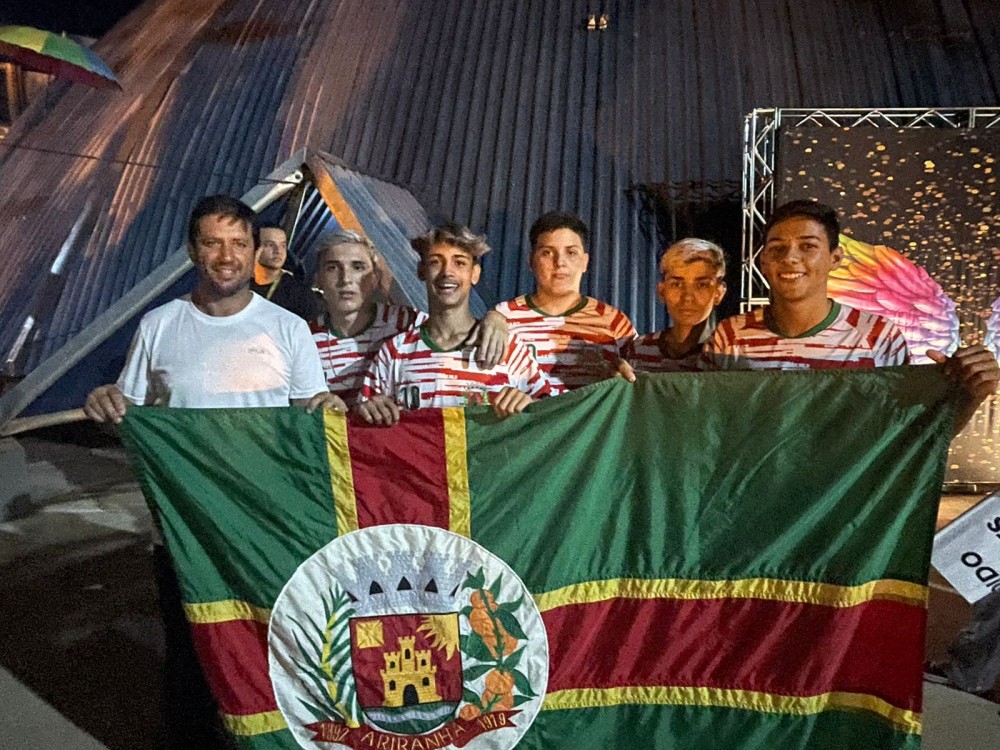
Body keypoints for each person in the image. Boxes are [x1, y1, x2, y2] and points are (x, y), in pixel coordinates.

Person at [83, 195, 342, 750]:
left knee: (276, 652)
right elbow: (131, 418)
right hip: (185, 533)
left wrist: (327, 407)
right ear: (191, 250)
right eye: (212, 242)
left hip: (266, 529)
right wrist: (107, 405)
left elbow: (308, 413)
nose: (226, 256)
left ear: (255, 251)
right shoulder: (160, 325)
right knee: (191, 661)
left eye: (238, 243)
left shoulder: (288, 328)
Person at [703, 198, 997, 434]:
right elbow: (707, 429)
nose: (790, 258)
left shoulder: (879, 336)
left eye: (808, 246)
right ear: (763, 262)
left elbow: (906, 439)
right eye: (777, 248)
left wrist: (969, 396)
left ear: (836, 258)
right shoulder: (730, 336)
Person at [356, 223, 547, 425]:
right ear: (421, 271)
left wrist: (530, 406)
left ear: (475, 273)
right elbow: (363, 425)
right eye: (435, 262)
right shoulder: (395, 352)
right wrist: (368, 409)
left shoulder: (508, 348)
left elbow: (553, 419)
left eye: (460, 263)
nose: (447, 272)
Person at [311, 230, 510, 405]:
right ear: (318, 278)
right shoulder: (305, 339)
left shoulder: (405, 322)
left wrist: (496, 318)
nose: (346, 279)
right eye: (333, 268)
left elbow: (446, 325)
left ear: (375, 278)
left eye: (358, 267)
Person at [494, 211, 636, 395]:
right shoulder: (503, 317)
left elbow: (638, 386)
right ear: (531, 261)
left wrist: (624, 381)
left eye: (571, 252)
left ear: (585, 262)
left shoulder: (614, 322)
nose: (559, 262)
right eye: (547, 253)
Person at [625, 238, 727, 373]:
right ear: (662, 291)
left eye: (701, 285)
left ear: (718, 293)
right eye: (677, 284)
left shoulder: (728, 354)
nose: (687, 297)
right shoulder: (640, 349)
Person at [249, 224, 318, 320]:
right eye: (270, 245)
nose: (278, 251)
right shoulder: (238, 283)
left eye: (283, 245)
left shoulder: (300, 293)